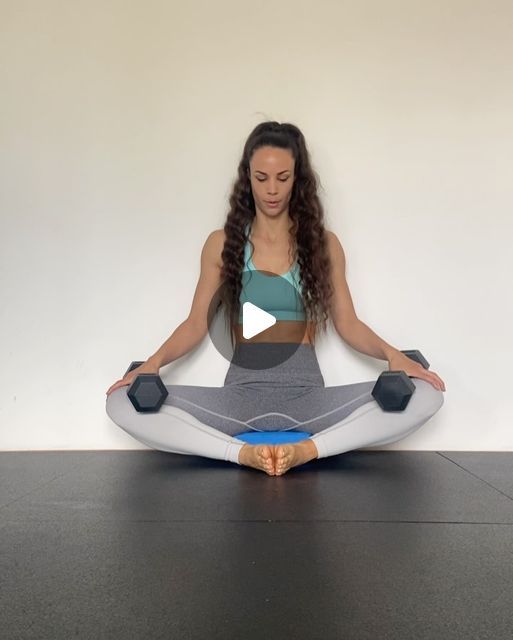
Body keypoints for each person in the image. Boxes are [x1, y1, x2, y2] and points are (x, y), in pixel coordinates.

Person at [106, 121, 446, 477]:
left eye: (283, 178)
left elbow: (348, 324)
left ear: (297, 180)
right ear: (247, 178)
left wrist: (394, 357)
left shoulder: (323, 245)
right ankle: (238, 454)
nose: (271, 189)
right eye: (261, 177)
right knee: (120, 403)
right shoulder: (221, 245)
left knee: (426, 394)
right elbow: (195, 324)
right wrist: (153, 363)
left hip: (309, 398)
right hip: (237, 399)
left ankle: (307, 451)